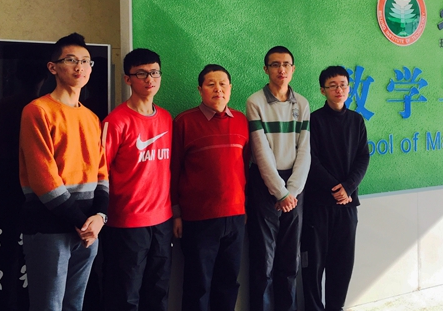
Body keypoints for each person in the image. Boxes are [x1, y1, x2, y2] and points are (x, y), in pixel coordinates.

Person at [18, 32, 109, 311]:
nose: (80, 67)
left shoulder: (91, 117)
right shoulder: (37, 110)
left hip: (87, 230)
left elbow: (102, 172)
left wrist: (100, 217)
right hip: (49, 228)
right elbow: (43, 178)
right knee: (49, 306)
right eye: (71, 60)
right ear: (53, 67)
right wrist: (84, 223)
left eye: (86, 61)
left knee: (74, 305)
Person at [171, 64, 250, 311]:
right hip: (198, 218)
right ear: (200, 89)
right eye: (211, 84)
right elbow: (173, 170)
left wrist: (245, 207)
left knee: (228, 282)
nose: (218, 89)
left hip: (235, 216)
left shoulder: (241, 121)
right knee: (198, 285)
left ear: (230, 88)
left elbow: (245, 167)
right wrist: (176, 212)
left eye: (223, 84)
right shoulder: (184, 122)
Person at [101, 48, 173, 311]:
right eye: (141, 74)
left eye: (154, 72)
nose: (149, 79)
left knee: (158, 292)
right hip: (127, 223)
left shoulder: (166, 118)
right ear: (127, 79)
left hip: (162, 221)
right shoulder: (116, 121)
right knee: (125, 295)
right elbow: (100, 172)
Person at [246, 46, 311, 311]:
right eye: (275, 64)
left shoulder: (302, 104)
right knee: (264, 259)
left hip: (295, 186)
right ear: (266, 69)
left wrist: (292, 191)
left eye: (286, 64)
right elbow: (261, 152)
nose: (281, 69)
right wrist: (280, 192)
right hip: (265, 184)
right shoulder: (255, 102)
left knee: (290, 259)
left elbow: (305, 150)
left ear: (293, 69)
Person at [301, 65, 369, 311]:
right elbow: (310, 159)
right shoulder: (314, 120)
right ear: (323, 90)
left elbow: (363, 157)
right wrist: (335, 187)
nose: (339, 90)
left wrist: (348, 188)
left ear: (349, 88)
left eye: (343, 85)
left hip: (347, 205)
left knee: (342, 264)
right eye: (332, 86)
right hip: (318, 206)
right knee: (313, 264)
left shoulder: (357, 121)